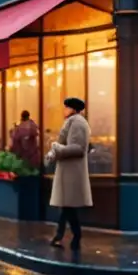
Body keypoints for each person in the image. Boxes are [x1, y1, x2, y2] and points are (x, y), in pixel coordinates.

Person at [47, 97, 93, 250]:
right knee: (67, 205)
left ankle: (69, 236)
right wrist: (55, 151)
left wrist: (56, 148)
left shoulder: (77, 123)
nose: (64, 110)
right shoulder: (74, 121)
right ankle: (62, 236)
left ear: (73, 109)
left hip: (72, 171)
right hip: (69, 170)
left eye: (66, 107)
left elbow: (77, 148)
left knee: (68, 205)